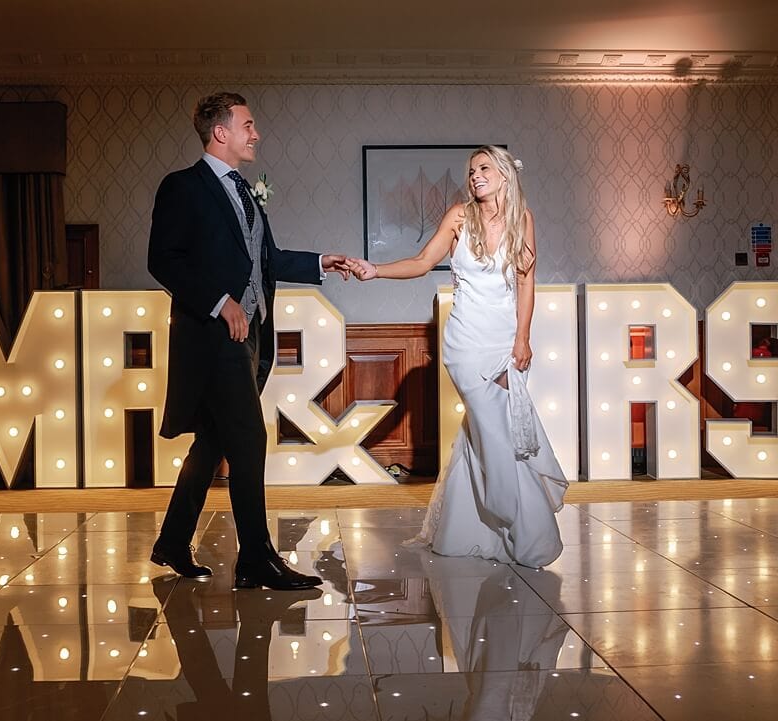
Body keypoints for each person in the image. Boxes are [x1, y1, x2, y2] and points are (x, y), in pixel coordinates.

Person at [148, 92, 351, 590]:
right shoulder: (183, 186)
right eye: (248, 124)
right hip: (212, 336)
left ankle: (172, 542)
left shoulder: (245, 192)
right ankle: (256, 559)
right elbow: (163, 258)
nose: (255, 133)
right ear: (221, 132)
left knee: (216, 439)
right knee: (248, 438)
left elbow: (267, 260)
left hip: (251, 338)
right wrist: (220, 301)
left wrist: (321, 261)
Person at [348, 146, 568, 568]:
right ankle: (522, 529)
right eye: (471, 171)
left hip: (503, 342)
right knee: (494, 433)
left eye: (484, 168)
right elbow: (422, 261)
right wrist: (375, 270)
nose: (475, 176)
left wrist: (523, 337)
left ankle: (470, 530)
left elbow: (526, 282)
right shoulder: (458, 217)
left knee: (488, 432)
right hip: (465, 343)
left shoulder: (523, 219)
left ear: (505, 174)